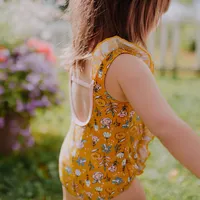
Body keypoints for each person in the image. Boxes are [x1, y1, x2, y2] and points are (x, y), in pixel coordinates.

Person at [59, 0, 200, 199]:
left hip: (73, 163)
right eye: (157, 11)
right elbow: (168, 127)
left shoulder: (86, 48)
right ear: (129, 7)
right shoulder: (124, 62)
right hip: (106, 177)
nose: (157, 22)